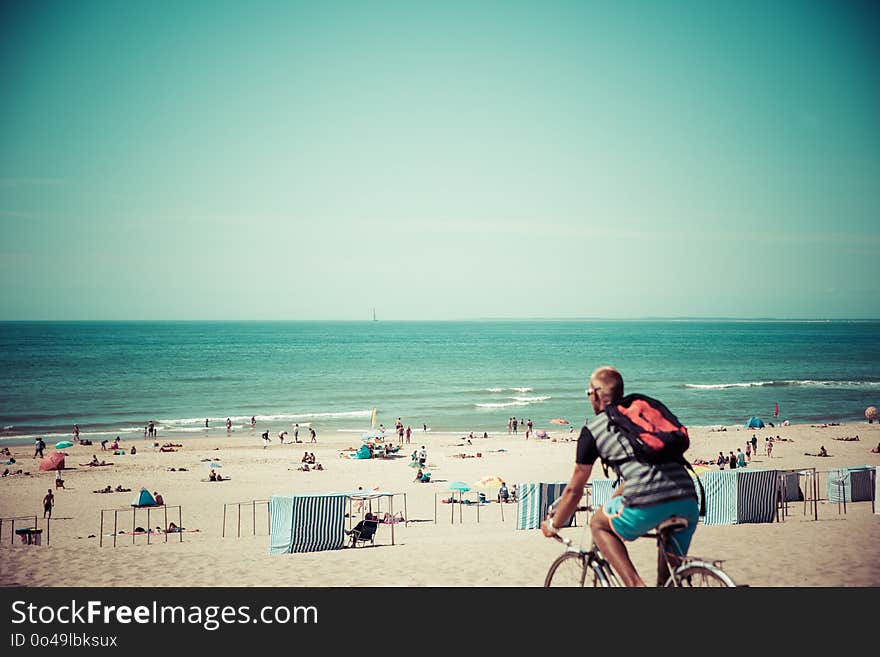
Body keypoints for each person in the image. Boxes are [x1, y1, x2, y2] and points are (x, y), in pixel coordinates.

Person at [541, 366, 699, 587]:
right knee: (668, 583)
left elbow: (574, 490)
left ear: (596, 393)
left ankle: (635, 584)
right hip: (688, 498)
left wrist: (554, 525)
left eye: (588, 393)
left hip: (648, 501)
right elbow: (640, 472)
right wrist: (612, 501)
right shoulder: (637, 420)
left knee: (598, 524)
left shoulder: (593, 429)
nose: (589, 398)